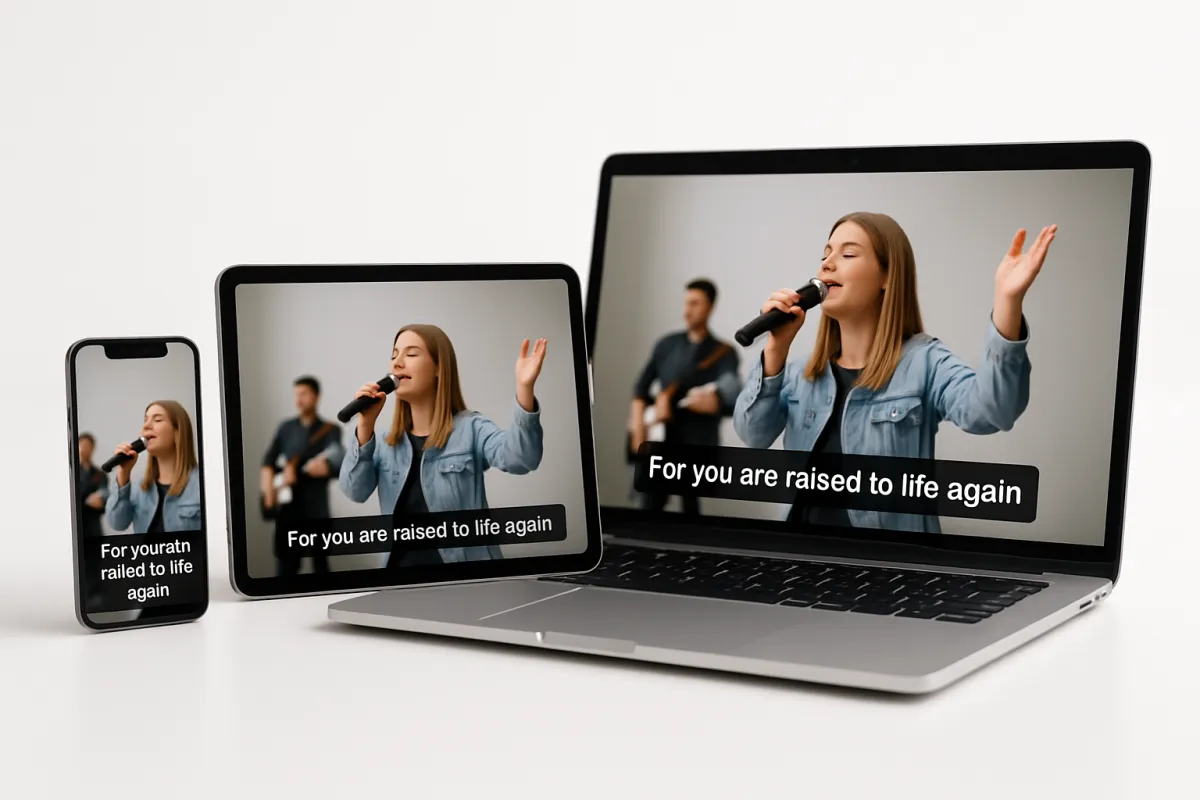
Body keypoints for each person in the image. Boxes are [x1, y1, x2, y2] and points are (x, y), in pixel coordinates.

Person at [733, 212, 1056, 534]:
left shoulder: (925, 361)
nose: (827, 264)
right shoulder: (800, 372)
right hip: (801, 560)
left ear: (888, 276)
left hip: (889, 566)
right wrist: (776, 349)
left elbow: (992, 412)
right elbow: (753, 434)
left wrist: (1007, 301)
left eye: (847, 254)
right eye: (825, 254)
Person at [338, 324, 546, 566]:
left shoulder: (472, 428)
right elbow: (354, 491)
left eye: (411, 354)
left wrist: (524, 388)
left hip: (465, 587)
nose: (397, 363)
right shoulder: (384, 441)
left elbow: (522, 459)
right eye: (394, 355)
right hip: (398, 584)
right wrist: (365, 427)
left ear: (439, 367)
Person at [628, 278, 741, 514]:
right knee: (650, 505)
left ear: (710, 307)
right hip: (660, 441)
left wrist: (715, 403)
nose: (687, 310)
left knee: (690, 509)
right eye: (686, 303)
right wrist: (638, 428)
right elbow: (641, 387)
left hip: (696, 445)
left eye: (695, 303)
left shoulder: (724, 353)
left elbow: (733, 398)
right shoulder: (666, 345)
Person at [261, 376, 345, 577]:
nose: (299, 399)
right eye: (296, 395)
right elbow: (267, 462)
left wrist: (312, 468)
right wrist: (269, 496)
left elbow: (335, 463)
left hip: (316, 510)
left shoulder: (331, 430)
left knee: (321, 569)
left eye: (304, 394)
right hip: (288, 511)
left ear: (316, 397)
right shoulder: (285, 428)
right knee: (285, 570)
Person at [106, 400, 202, 533]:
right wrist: (123, 474)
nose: (146, 426)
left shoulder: (203, 485)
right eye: (145, 420)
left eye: (157, 420)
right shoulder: (139, 488)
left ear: (177, 432)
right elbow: (117, 523)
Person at [76, 433, 109, 537]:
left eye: (87, 445)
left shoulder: (100, 474)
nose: (83, 449)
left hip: (94, 529)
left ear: (93, 448)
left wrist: (101, 500)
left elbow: (105, 500)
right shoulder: (71, 474)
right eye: (81, 445)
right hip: (76, 527)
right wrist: (86, 501)